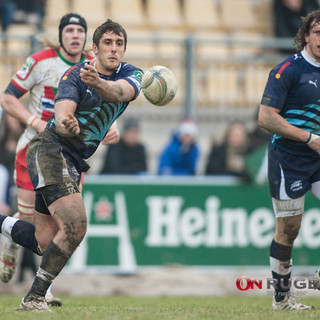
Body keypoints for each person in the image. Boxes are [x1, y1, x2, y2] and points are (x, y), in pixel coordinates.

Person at [0, 18, 143, 312]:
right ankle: (35, 297)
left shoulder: (132, 73)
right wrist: (69, 124)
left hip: (73, 159)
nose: (114, 49)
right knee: (75, 226)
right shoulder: (74, 75)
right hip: (49, 150)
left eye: (119, 44)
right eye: (107, 43)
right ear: (95, 48)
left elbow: (120, 93)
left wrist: (100, 85)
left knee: (44, 242)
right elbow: (63, 117)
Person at [0, 12, 94, 307]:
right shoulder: (41, 61)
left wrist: (111, 127)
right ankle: (11, 234)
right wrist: (34, 121)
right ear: (61, 35)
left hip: (69, 156)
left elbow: (99, 104)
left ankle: (44, 288)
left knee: (60, 230)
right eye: (70, 30)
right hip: (35, 150)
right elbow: (8, 98)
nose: (75, 35)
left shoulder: (91, 67)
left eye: (80, 30)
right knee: (35, 226)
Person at [258, 9, 320, 310]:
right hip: (289, 159)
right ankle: (281, 299)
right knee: (289, 230)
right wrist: (309, 138)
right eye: (318, 32)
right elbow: (266, 118)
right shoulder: (288, 70)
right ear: (307, 35)